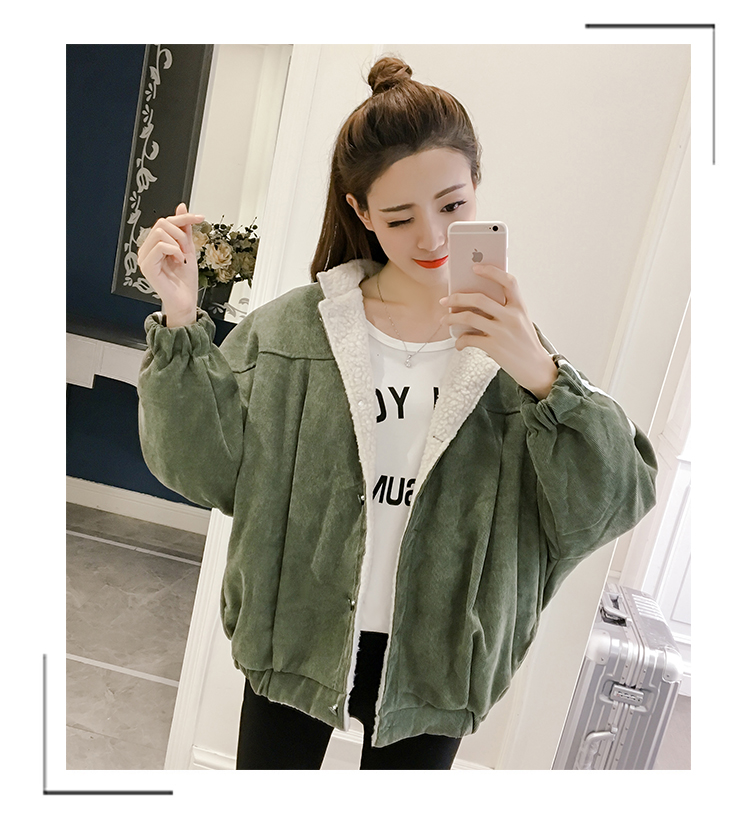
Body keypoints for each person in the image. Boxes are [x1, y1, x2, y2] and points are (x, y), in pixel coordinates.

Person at [136, 56, 658, 770]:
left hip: (438, 654)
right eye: (401, 217)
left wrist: (541, 373)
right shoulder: (294, 333)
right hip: (296, 626)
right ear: (361, 213)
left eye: (452, 206)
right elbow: (202, 468)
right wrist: (180, 312)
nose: (433, 238)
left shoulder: (514, 355)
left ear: (477, 186)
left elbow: (612, 502)